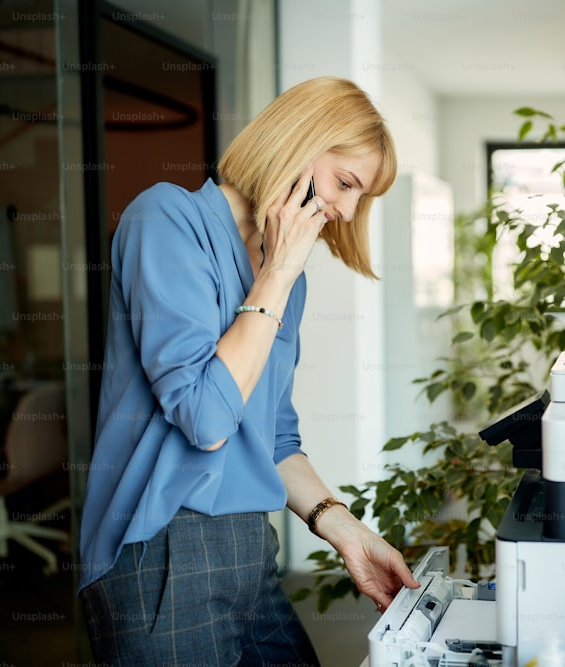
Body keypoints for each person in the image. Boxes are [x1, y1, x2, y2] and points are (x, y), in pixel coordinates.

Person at [77, 76, 419, 666]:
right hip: (162, 548)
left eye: (360, 198)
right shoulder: (166, 219)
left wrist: (346, 531)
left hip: (247, 547)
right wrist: (278, 275)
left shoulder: (288, 278)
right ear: (296, 141)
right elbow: (206, 419)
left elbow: (274, 439)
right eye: (345, 183)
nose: (345, 211)